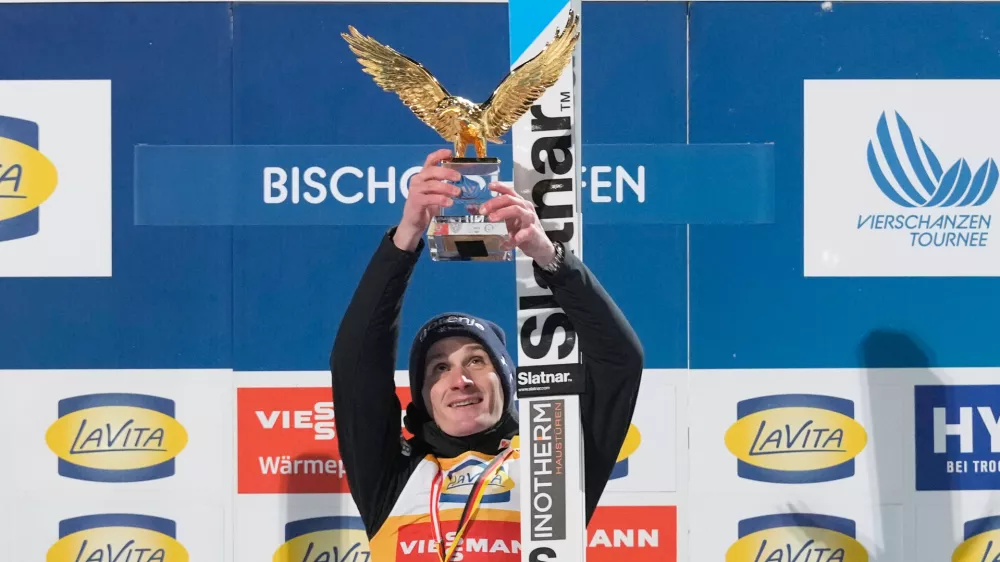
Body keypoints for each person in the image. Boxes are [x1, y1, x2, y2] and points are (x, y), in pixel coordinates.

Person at [330, 148, 644, 561]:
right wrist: (405, 238)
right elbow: (356, 367)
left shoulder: (553, 464)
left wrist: (550, 257)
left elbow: (619, 360)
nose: (460, 380)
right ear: (422, 396)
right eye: (439, 368)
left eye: (476, 361)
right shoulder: (391, 476)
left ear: (506, 379)